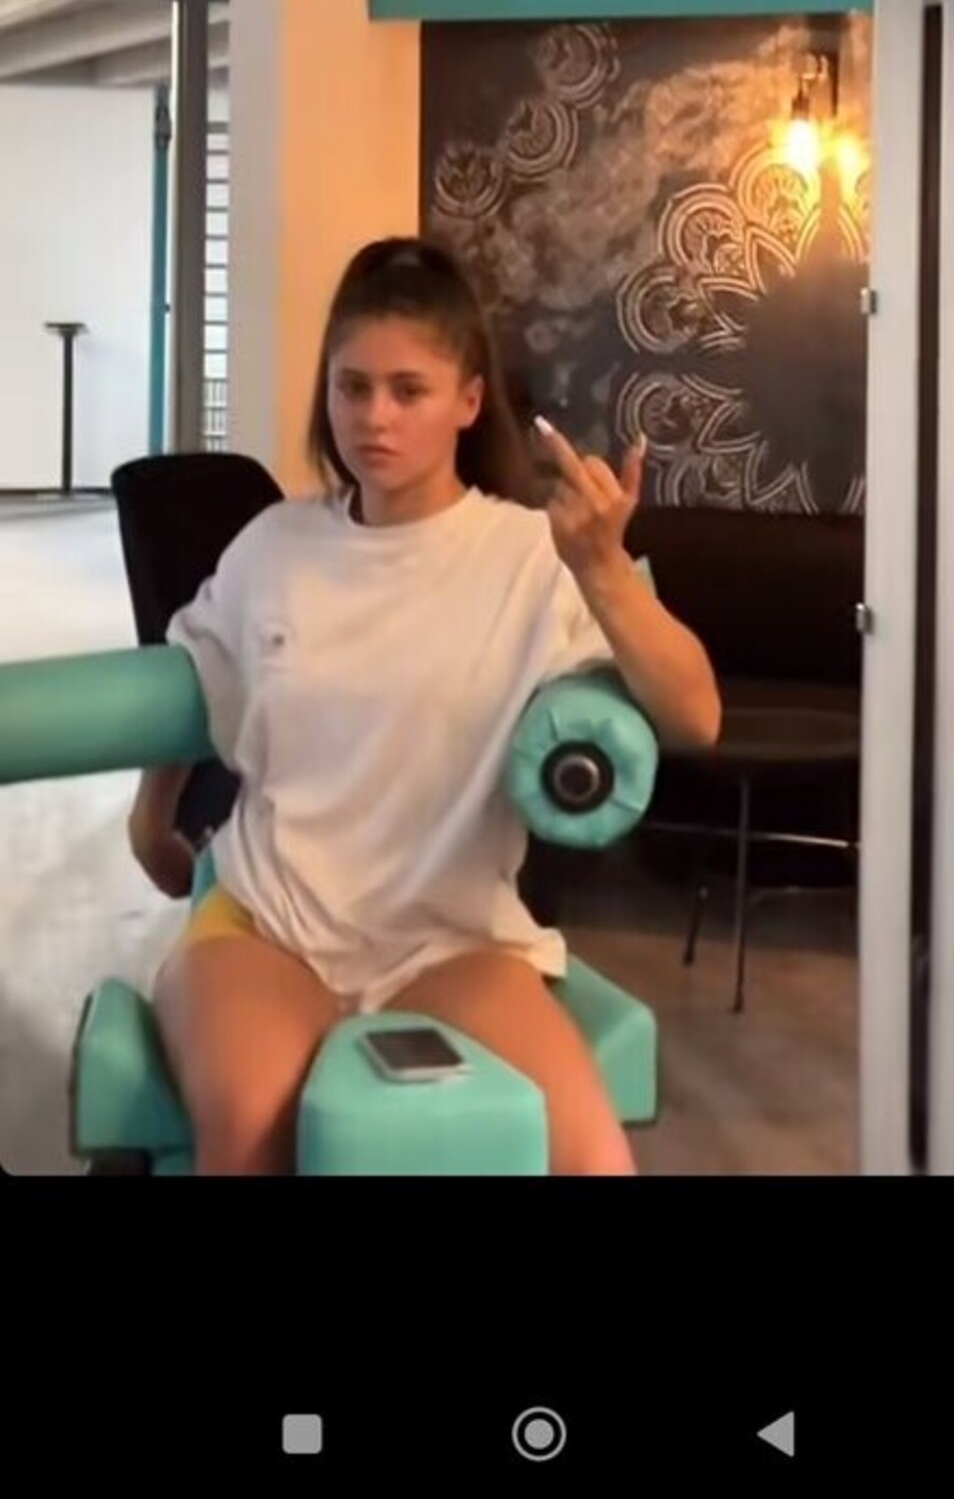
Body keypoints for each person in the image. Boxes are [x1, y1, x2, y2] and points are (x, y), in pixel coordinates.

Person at [128, 237, 722, 1176]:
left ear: (468, 401)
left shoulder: (531, 555)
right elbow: (196, 669)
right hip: (269, 925)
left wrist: (606, 570)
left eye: (408, 390)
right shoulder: (273, 546)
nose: (375, 416)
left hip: (452, 939)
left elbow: (696, 716)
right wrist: (149, 819)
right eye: (352, 387)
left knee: (593, 1157)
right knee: (247, 1132)